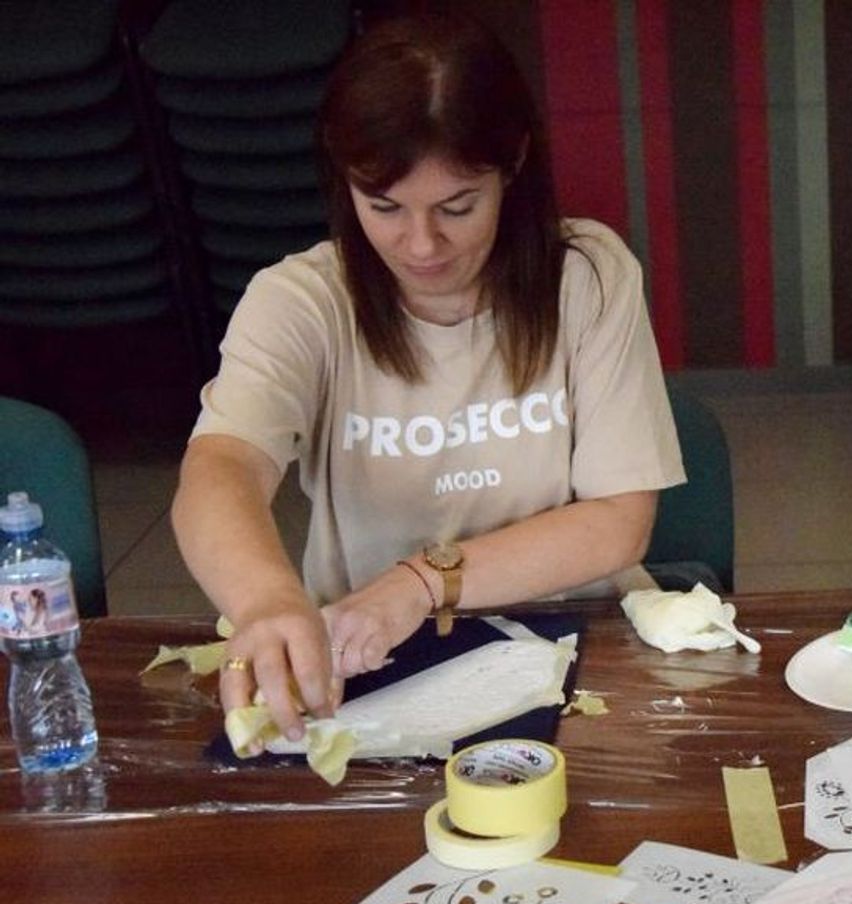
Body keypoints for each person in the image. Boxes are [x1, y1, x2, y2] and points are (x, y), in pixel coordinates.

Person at [172, 14, 684, 745]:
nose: (420, 245)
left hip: (577, 645)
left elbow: (618, 522)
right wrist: (266, 601)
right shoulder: (302, 301)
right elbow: (223, 465)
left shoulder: (587, 278)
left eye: (457, 207)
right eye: (384, 207)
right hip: (369, 662)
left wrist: (422, 582)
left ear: (513, 164)